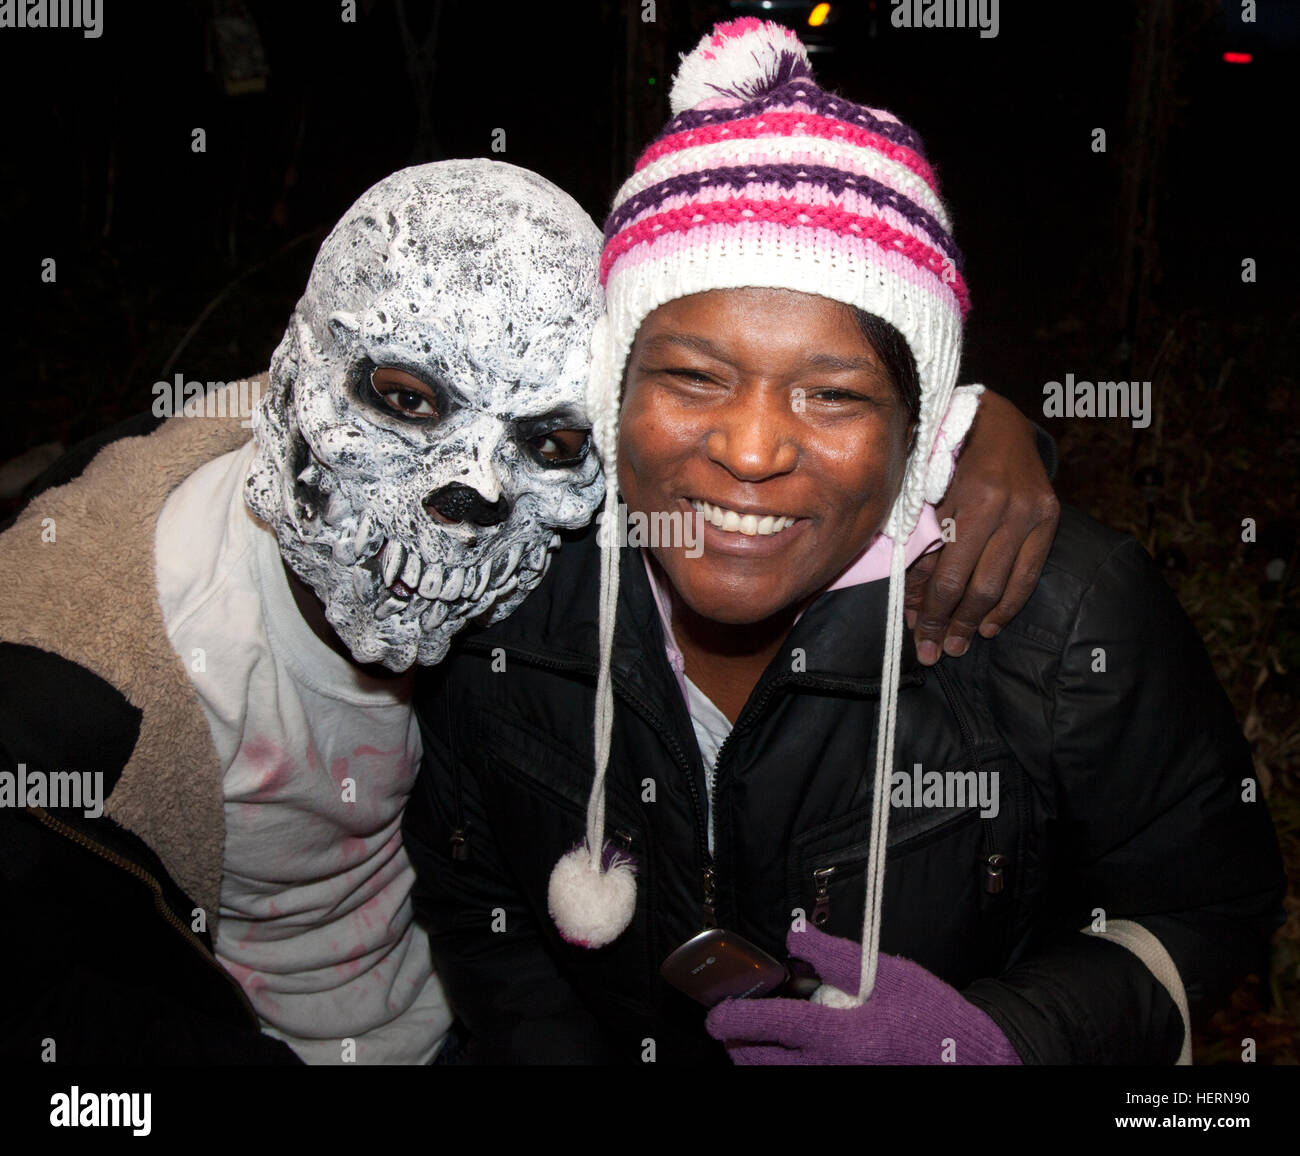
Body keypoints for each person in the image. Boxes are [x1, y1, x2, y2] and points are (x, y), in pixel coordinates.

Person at [0, 155, 1052, 1065]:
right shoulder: (73, 696)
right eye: (408, 400)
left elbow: (738, 442)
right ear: (294, 373)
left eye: (543, 443)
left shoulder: (560, 557)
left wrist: (979, 431)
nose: (473, 490)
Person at [402, 20, 1286, 1065]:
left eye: (833, 394)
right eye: (692, 375)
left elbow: (1208, 907)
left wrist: (1000, 1037)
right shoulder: (512, 587)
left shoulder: (1058, 620)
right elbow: (476, 894)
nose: (752, 447)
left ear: (919, 435)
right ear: (610, 390)